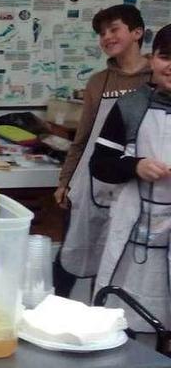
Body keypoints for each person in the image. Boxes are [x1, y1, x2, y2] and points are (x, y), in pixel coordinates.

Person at [54, 4, 151, 298]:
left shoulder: (156, 79)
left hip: (137, 180)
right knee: (72, 251)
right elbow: (83, 138)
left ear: (137, 33)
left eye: (114, 29)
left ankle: (101, 316)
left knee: (114, 259)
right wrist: (65, 181)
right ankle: (53, 308)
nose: (106, 37)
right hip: (90, 179)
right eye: (101, 33)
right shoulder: (98, 82)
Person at [89, 23, 171, 332]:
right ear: (153, 60)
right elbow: (101, 164)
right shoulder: (131, 106)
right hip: (134, 234)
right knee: (127, 315)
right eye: (166, 57)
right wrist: (134, 166)